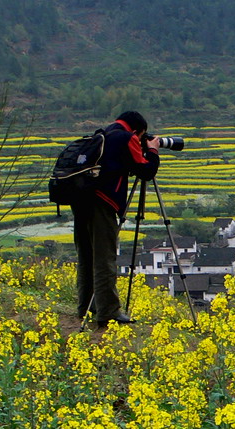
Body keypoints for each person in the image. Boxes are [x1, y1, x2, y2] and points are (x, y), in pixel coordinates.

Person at [72, 111, 160, 327]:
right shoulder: (126, 137)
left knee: (87, 256)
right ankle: (108, 312)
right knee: (104, 257)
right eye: (142, 137)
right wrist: (153, 151)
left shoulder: (103, 135)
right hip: (102, 203)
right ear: (138, 131)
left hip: (80, 200)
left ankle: (86, 307)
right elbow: (146, 171)